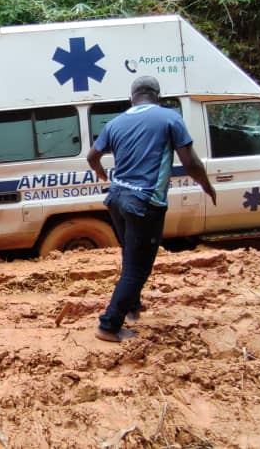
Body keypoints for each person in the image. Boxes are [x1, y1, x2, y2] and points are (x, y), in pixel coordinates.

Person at [86, 76, 216, 343]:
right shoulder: (169, 119)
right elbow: (190, 162)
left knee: (130, 256)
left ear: (131, 97)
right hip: (145, 202)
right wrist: (206, 186)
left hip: (116, 199)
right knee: (138, 267)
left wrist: (101, 173)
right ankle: (109, 325)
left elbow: (91, 156)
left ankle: (132, 307)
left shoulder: (115, 123)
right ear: (157, 95)